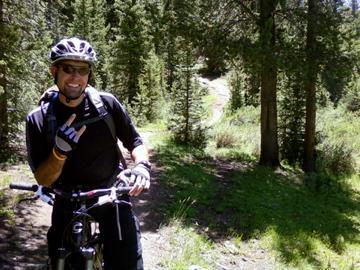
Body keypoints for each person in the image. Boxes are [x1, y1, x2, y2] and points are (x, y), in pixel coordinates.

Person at [25, 37, 151, 270]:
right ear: (55, 70)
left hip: (110, 192)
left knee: (127, 259)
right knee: (58, 258)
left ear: (89, 74)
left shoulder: (106, 105)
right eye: (68, 69)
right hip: (66, 197)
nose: (75, 77)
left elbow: (134, 141)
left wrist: (142, 166)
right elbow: (43, 179)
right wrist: (59, 153)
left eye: (82, 70)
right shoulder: (38, 119)